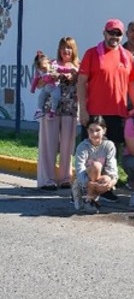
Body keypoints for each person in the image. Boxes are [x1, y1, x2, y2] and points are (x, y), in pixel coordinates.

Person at [78, 18, 134, 202]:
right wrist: (83, 110)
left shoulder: (127, 56)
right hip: (95, 113)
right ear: (104, 33)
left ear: (122, 36)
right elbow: (81, 82)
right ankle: (85, 190)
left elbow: (131, 84)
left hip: (117, 113)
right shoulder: (91, 54)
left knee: (110, 157)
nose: (114, 36)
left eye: (118, 34)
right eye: (111, 32)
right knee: (90, 156)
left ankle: (106, 189)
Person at [36, 37, 79, 190]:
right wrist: (48, 78)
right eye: (63, 47)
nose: (66, 51)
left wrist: (74, 76)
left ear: (74, 50)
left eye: (69, 47)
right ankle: (47, 179)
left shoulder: (77, 66)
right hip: (51, 109)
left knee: (68, 145)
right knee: (49, 144)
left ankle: (65, 178)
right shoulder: (51, 64)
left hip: (70, 109)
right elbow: (40, 82)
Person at [72, 116, 118, 214]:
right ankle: (89, 199)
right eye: (91, 130)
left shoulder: (109, 146)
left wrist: (112, 181)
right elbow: (79, 169)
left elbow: (112, 167)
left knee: (106, 179)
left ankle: (90, 198)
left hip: (99, 180)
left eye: (98, 130)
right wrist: (88, 184)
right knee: (96, 166)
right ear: (87, 131)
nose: (94, 134)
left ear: (104, 131)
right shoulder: (82, 147)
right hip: (84, 179)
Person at [30, 51, 68, 119]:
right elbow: (36, 81)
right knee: (40, 97)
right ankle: (39, 110)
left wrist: (71, 70)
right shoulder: (39, 71)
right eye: (41, 69)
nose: (43, 70)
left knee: (55, 97)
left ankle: (53, 111)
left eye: (44, 68)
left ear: (48, 63)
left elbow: (63, 69)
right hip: (46, 88)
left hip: (54, 87)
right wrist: (33, 89)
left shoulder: (54, 67)